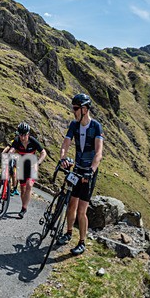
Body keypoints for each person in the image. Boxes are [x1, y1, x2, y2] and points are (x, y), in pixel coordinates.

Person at [57, 93, 104, 255]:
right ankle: (68, 232)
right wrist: (62, 158)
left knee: (82, 210)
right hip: (77, 169)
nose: (73, 111)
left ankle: (82, 242)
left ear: (84, 109)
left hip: (89, 173)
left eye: (76, 108)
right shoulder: (74, 125)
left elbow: (99, 153)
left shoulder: (96, 126)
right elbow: (66, 143)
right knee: (71, 205)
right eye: (73, 108)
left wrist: (91, 171)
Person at [2, 122, 47, 219]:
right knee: (22, 190)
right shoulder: (17, 141)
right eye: (20, 134)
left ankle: (23, 208)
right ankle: (24, 206)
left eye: (24, 135)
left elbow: (43, 153)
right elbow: (12, 149)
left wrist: (38, 162)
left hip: (32, 166)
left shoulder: (33, 141)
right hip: (21, 166)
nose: (22, 137)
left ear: (28, 134)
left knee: (29, 185)